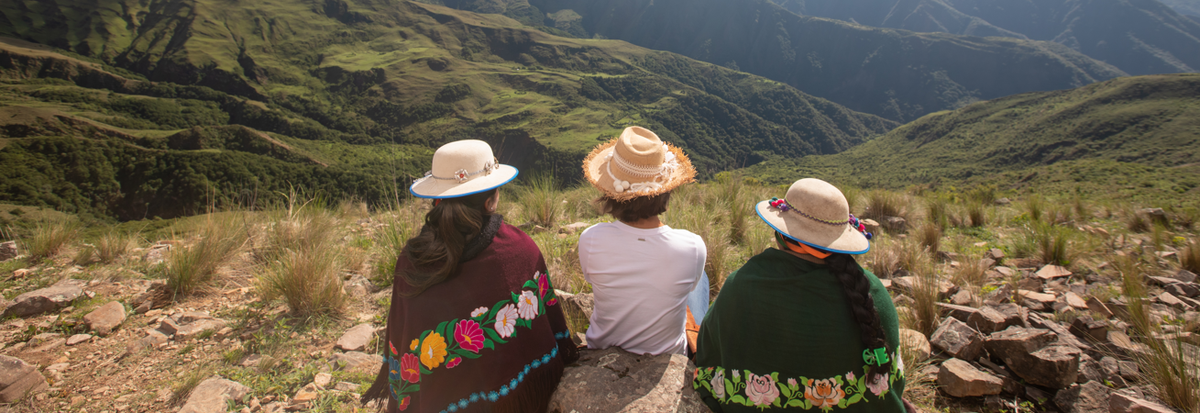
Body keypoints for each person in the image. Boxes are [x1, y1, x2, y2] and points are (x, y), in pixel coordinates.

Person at [363, 140, 578, 413]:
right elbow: (545, 324)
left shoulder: (412, 260)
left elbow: (404, 333)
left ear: (436, 199)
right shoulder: (520, 249)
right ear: (491, 200)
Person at [692, 178, 908, 412]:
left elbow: (707, 354)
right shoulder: (872, 291)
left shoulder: (743, 286)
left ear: (783, 235)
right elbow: (895, 385)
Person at [577, 126, 708, 356]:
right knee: (699, 280)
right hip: (667, 356)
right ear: (665, 191)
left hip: (604, 351)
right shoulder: (692, 247)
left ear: (611, 193)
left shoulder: (591, 240)